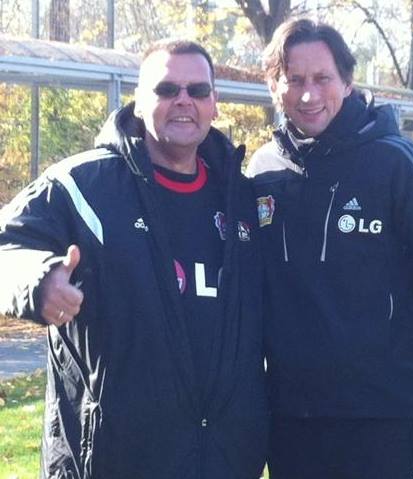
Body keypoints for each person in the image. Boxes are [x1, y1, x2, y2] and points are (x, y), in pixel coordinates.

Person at [0, 39, 268, 479]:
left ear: (214, 103)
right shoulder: (82, 185)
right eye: (166, 89)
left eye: (198, 90)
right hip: (114, 460)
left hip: (225, 460)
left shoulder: (243, 197)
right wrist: (40, 281)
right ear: (139, 102)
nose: (183, 100)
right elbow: (6, 247)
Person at [246, 18, 413, 479]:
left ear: (347, 82)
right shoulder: (263, 171)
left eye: (322, 78)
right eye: (294, 80)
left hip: (385, 413)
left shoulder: (396, 161)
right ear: (274, 87)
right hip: (293, 418)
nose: (308, 94)